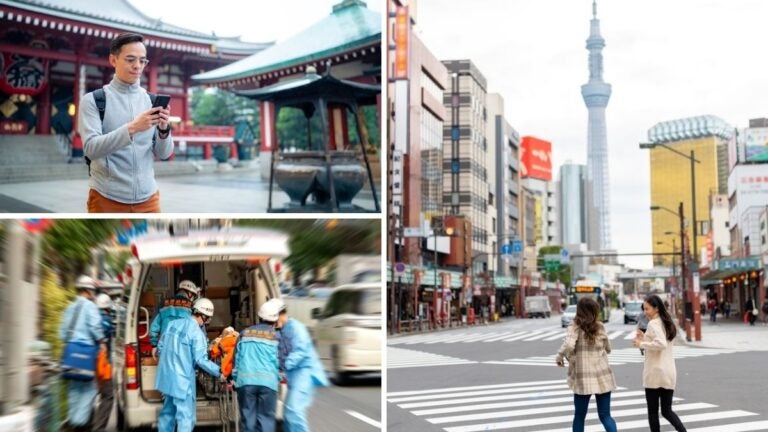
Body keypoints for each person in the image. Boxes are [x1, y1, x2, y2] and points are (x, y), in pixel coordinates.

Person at [78, 32, 173, 213]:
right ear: (113, 60)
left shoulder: (151, 101)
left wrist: (163, 129)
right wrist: (133, 128)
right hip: (106, 197)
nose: (137, 66)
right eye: (130, 59)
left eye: (142, 61)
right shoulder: (93, 100)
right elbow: (90, 149)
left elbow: (165, 153)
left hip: (149, 198)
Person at [155, 298, 224, 432]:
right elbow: (201, 360)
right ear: (204, 316)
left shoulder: (173, 324)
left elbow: (160, 347)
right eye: (208, 318)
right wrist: (220, 372)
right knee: (186, 418)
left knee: (167, 415)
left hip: (166, 378)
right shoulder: (197, 334)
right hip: (182, 382)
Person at [555, 297, 618, 432]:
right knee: (605, 415)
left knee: (579, 416)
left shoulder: (574, 327)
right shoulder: (600, 326)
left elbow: (569, 345)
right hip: (602, 376)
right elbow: (609, 349)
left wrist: (559, 356)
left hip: (583, 377)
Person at [633, 295, 687, 432]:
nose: (645, 312)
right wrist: (644, 336)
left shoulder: (653, 323)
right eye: (644, 309)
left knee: (653, 412)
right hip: (668, 371)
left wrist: (641, 343)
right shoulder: (666, 322)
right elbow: (661, 340)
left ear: (656, 308)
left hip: (654, 372)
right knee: (667, 410)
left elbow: (661, 343)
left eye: (647, 309)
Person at [58, 276, 106, 432]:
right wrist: (102, 342)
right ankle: (81, 425)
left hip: (71, 356)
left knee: (74, 390)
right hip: (87, 355)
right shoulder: (90, 307)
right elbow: (95, 328)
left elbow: (62, 335)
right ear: (88, 291)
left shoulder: (69, 308)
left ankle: (73, 423)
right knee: (88, 390)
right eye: (92, 291)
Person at [228, 300, 282, 432]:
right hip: (268, 383)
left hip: (246, 382)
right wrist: (279, 378)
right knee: (266, 421)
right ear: (275, 321)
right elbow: (281, 362)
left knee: (248, 422)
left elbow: (236, 359)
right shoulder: (277, 337)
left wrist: (234, 379)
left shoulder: (244, 334)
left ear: (259, 317)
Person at [278, 301, 329, 432]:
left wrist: (284, 365)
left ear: (280, 315)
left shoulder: (295, 327)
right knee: (288, 413)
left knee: (293, 410)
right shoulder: (282, 330)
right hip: (294, 375)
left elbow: (300, 350)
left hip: (305, 372)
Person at [150, 280, 199, 359]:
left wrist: (154, 345)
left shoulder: (163, 303)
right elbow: (197, 328)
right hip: (183, 348)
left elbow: (154, 326)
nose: (193, 298)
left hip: (165, 347)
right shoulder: (192, 307)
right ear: (189, 293)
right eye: (193, 296)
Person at [92, 294, 115, 432]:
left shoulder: (93, 318)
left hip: (92, 363)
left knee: (95, 395)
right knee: (108, 396)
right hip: (103, 364)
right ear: (108, 307)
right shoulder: (106, 320)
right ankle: (98, 428)